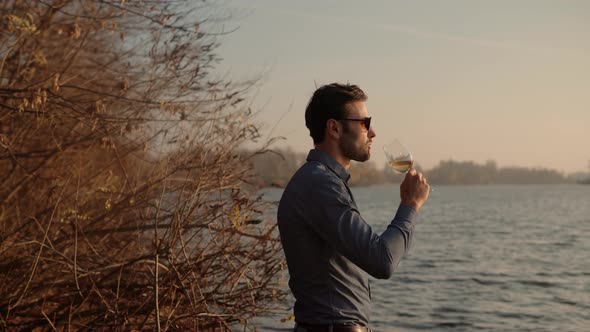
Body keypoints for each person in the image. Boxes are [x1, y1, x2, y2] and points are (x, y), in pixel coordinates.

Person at [277, 83, 430, 332]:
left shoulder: (322, 181)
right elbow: (383, 260)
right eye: (364, 123)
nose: (373, 133)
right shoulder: (320, 185)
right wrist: (410, 205)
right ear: (334, 128)